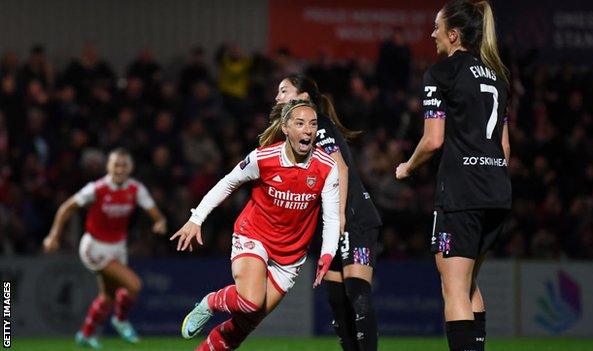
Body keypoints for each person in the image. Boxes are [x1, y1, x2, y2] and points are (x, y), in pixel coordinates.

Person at [171, 99, 340, 351]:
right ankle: (210, 302)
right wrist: (197, 219)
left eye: (313, 124)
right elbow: (228, 182)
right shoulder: (264, 158)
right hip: (254, 236)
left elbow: (332, 216)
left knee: (243, 326)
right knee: (250, 301)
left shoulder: (327, 167)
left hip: (290, 257)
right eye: (300, 123)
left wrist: (327, 253)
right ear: (285, 127)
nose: (307, 130)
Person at [395, 1, 511, 351]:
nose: (432, 34)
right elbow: (505, 149)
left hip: (462, 193)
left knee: (454, 288)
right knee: (469, 283)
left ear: (453, 34)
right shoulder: (497, 77)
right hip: (496, 191)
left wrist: (408, 166)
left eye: (436, 27)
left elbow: (433, 139)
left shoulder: (441, 73)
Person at [275, 75, 382, 351]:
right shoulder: (296, 134)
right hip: (331, 224)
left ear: (304, 98)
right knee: (337, 302)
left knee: (357, 293)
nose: (278, 97)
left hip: (353, 217)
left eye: (284, 91)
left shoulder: (318, 125)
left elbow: (340, 168)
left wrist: (341, 216)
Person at [42, 148, 167, 349]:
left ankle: (85, 334)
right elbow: (66, 207)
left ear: (130, 168)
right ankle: (120, 320)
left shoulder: (136, 189)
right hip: (94, 247)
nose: (120, 169)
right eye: (116, 165)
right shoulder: (96, 189)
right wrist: (53, 236)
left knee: (108, 296)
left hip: (118, 247)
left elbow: (155, 213)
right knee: (134, 285)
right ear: (108, 167)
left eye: (124, 165)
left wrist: (159, 221)